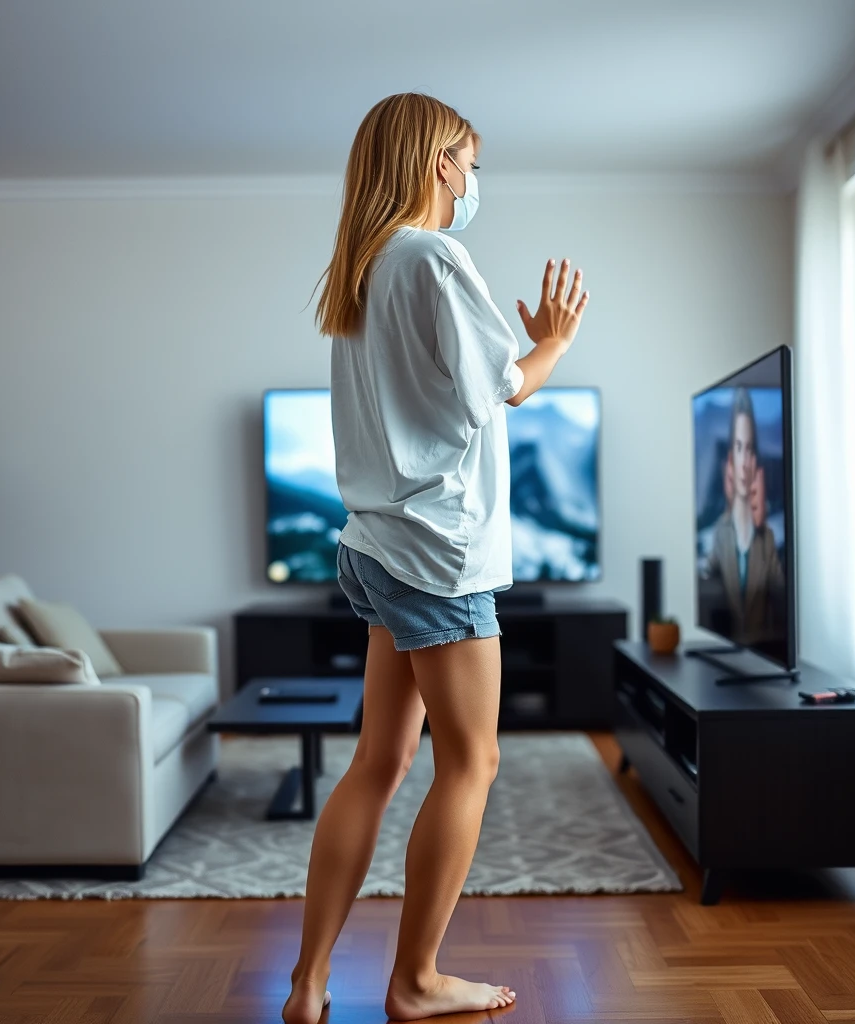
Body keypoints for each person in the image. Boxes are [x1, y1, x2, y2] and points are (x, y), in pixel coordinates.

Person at [281, 93, 589, 1024]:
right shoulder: (433, 255)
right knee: (473, 761)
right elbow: (504, 390)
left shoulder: (361, 267)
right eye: (468, 159)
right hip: (437, 555)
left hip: (373, 545)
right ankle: (415, 982)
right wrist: (554, 344)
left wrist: (526, 350)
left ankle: (305, 986)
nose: (472, 177)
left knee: (379, 758)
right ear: (434, 161)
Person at [705, 387, 784, 645]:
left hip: (764, 655)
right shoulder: (720, 533)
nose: (744, 460)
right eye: (739, 448)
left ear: (755, 459)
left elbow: (782, 598)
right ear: (731, 457)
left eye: (750, 449)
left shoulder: (768, 540)